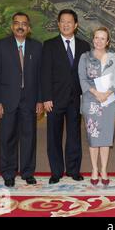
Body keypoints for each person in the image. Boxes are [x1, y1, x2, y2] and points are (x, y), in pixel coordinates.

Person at [0, 12, 43, 187]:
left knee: (29, 137)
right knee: (7, 137)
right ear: (12, 26)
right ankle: (8, 173)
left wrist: (40, 100)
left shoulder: (37, 47)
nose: (20, 26)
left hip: (30, 100)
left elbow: (40, 77)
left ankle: (28, 172)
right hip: (6, 101)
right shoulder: (1, 45)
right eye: (17, 23)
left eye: (24, 24)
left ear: (29, 28)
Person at [41, 9, 90, 184]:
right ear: (58, 24)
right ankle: (56, 171)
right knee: (53, 136)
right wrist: (46, 97)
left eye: (69, 21)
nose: (66, 24)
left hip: (76, 99)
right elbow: (44, 73)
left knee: (74, 135)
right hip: (54, 99)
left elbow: (87, 74)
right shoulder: (49, 45)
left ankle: (73, 170)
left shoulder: (84, 46)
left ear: (76, 25)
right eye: (63, 21)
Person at [78, 27, 115, 186]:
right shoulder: (85, 57)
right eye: (97, 37)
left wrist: (106, 94)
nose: (99, 41)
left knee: (106, 137)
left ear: (108, 41)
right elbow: (82, 79)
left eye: (103, 38)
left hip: (109, 101)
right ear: (93, 39)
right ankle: (94, 169)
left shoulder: (114, 57)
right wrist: (97, 94)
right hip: (91, 101)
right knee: (93, 136)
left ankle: (104, 169)